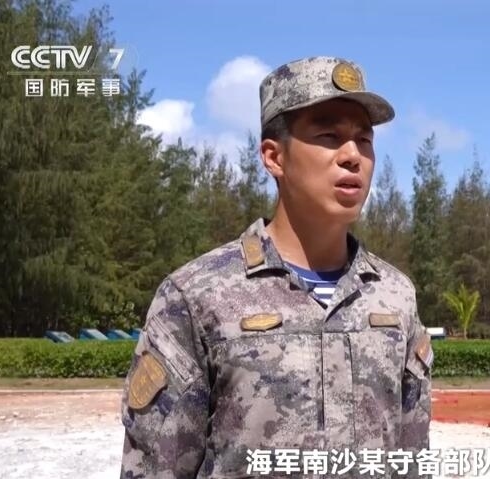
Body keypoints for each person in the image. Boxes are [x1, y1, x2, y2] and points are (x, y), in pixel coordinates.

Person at [119, 56, 433, 478]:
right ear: (274, 157)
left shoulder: (394, 296)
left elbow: (412, 460)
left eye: (364, 139)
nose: (352, 156)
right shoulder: (196, 296)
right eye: (328, 136)